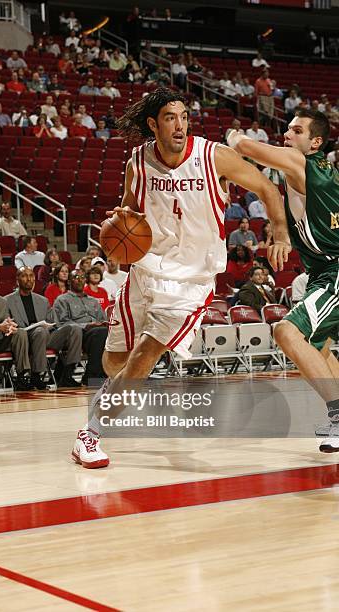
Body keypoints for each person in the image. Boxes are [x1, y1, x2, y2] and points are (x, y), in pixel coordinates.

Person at [71, 87, 290, 468]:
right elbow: (130, 208)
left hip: (190, 280)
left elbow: (267, 187)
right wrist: (118, 226)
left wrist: (280, 233)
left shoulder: (213, 156)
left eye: (185, 117)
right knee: (114, 363)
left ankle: (89, 434)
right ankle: (116, 393)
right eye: (171, 118)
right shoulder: (138, 162)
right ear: (153, 124)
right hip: (146, 269)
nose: (180, 125)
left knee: (144, 357)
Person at [227, 108, 339, 452]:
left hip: (334, 272)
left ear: (314, 142)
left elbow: (247, 147)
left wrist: (232, 137)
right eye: (288, 129)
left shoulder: (299, 161)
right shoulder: (324, 171)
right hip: (321, 271)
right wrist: (281, 235)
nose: (288, 135)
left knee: (286, 331)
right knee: (316, 345)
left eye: (296, 130)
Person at [6, 267, 82, 389]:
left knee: (74, 329)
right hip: (24, 338)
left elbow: (53, 323)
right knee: (40, 331)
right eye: (24, 276)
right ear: (17, 280)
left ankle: (67, 373)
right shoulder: (7, 300)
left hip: (45, 335)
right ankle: (37, 375)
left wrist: (49, 326)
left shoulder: (43, 300)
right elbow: (9, 324)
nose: (29, 279)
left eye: (31, 276)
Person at [54, 269, 108, 386]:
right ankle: (92, 375)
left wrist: (106, 323)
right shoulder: (62, 300)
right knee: (100, 333)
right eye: (76, 277)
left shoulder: (93, 301)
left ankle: (101, 373)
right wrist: (87, 325)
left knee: (106, 331)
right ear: (69, 281)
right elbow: (62, 324)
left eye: (82, 278)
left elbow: (103, 319)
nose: (80, 280)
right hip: (76, 334)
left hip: (96, 333)